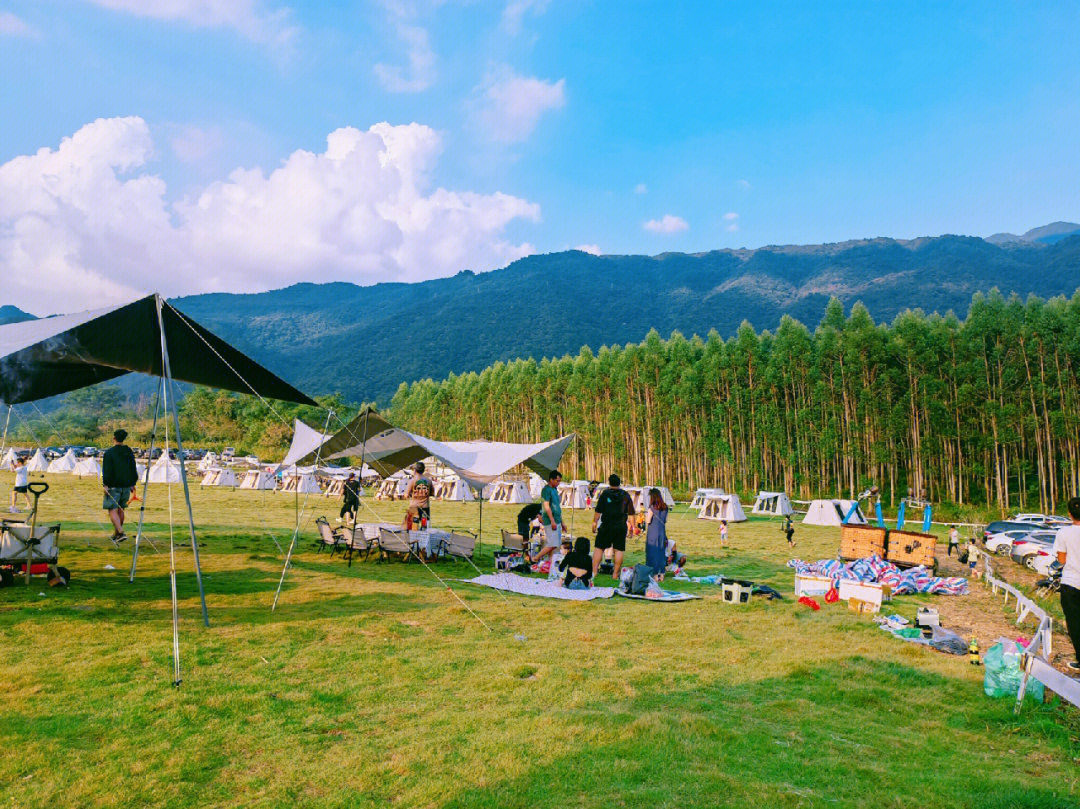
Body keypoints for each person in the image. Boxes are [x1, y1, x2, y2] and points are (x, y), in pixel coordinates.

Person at [1053, 496, 1080, 672]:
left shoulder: (1064, 533)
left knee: (1075, 623)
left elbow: (1061, 559)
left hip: (1071, 582)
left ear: (1069, 514)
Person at [592, 473, 635, 580]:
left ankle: (594, 572)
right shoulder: (625, 495)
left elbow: (598, 510)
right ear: (619, 483)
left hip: (606, 525)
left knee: (599, 548)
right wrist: (632, 527)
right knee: (619, 550)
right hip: (620, 526)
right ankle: (615, 574)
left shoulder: (605, 494)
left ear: (609, 482)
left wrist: (594, 522)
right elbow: (631, 513)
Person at [102, 429, 138, 543]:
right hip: (127, 485)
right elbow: (133, 468)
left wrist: (106, 484)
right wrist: (133, 483)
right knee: (121, 509)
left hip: (113, 485)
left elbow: (107, 470)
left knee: (112, 509)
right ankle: (117, 534)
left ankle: (121, 532)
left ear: (114, 438)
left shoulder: (109, 453)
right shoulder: (128, 452)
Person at [535, 470, 567, 565]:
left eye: (559, 481)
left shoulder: (555, 490)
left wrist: (562, 523)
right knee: (552, 544)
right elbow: (546, 506)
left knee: (556, 545)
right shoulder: (546, 490)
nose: (558, 483)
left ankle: (551, 564)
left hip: (557, 520)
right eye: (557, 481)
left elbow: (557, 508)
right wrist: (552, 521)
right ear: (551, 479)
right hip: (550, 520)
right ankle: (535, 558)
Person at [644, 487, 669, 579]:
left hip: (652, 533)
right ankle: (661, 574)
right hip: (662, 532)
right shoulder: (665, 507)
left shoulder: (651, 508)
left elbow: (648, 521)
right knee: (661, 552)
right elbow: (665, 520)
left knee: (652, 552)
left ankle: (654, 574)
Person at [403, 462, 434, 529]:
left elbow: (406, 495)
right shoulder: (429, 481)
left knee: (412, 528)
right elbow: (432, 494)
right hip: (425, 508)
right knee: (424, 528)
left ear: (415, 470)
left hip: (414, 507)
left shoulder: (412, 481)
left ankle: (413, 539)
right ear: (423, 470)